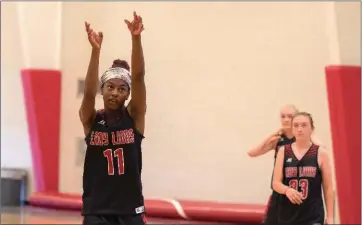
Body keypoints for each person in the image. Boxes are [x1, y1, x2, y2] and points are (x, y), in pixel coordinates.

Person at [79, 11, 147, 225]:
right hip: (97, 210)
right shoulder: (91, 120)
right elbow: (88, 93)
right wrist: (95, 52)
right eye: (110, 87)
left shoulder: (134, 117)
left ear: (128, 94)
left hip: (129, 210)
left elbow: (138, 77)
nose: (115, 92)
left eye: (121, 89)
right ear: (103, 90)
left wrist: (136, 38)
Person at [272, 112, 334, 225]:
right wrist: (287, 190)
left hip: (313, 216)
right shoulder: (283, 151)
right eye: (296, 125)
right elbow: (275, 183)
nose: (300, 129)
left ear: (311, 129)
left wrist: (330, 217)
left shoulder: (321, 153)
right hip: (287, 216)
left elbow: (328, 188)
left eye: (304, 125)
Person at [248, 104, 298, 225]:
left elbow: (321, 146)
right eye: (283, 116)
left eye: (290, 116)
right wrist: (272, 135)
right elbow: (252, 152)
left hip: (295, 194)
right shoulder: (277, 140)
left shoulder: (302, 140)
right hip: (278, 194)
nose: (286, 119)